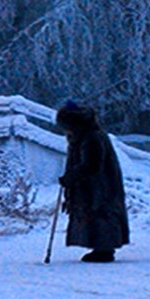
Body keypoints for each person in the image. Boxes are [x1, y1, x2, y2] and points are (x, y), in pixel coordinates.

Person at [55, 101, 129, 262]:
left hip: (100, 185)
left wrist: (71, 176)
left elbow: (92, 163)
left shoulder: (91, 137)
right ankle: (101, 247)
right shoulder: (86, 135)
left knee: (101, 212)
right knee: (97, 213)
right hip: (97, 184)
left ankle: (104, 249)